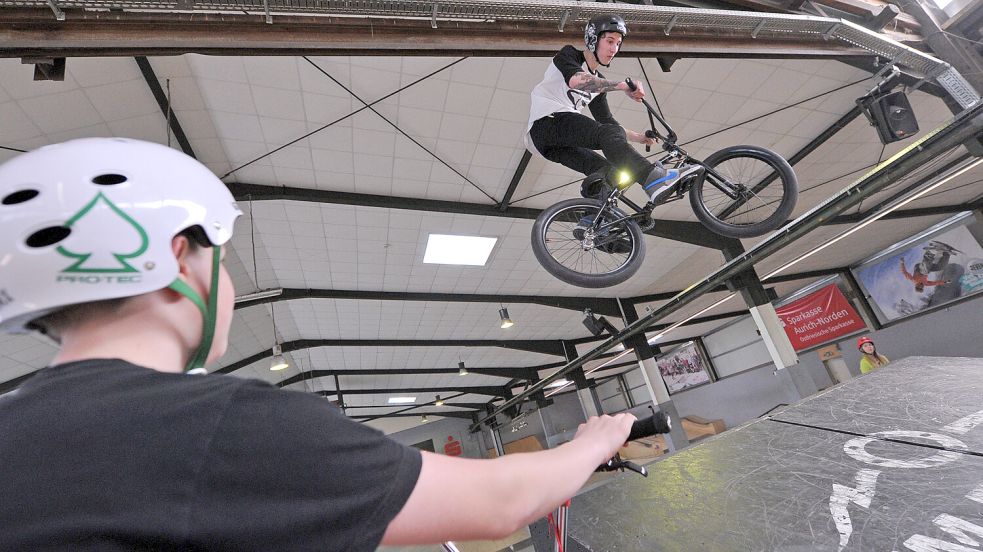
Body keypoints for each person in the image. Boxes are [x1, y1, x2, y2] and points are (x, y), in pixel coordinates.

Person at [0, 138, 637, 550]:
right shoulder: (217, 425)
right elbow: (499, 504)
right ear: (175, 261)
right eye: (219, 259)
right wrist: (593, 442)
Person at [525, 14, 700, 209]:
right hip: (546, 124)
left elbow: (607, 122)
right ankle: (653, 179)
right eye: (609, 41)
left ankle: (596, 224)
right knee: (609, 133)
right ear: (593, 39)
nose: (613, 49)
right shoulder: (569, 55)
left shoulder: (599, 82)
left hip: (550, 146)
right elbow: (576, 80)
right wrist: (622, 85)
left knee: (610, 173)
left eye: (617, 44)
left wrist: (640, 137)